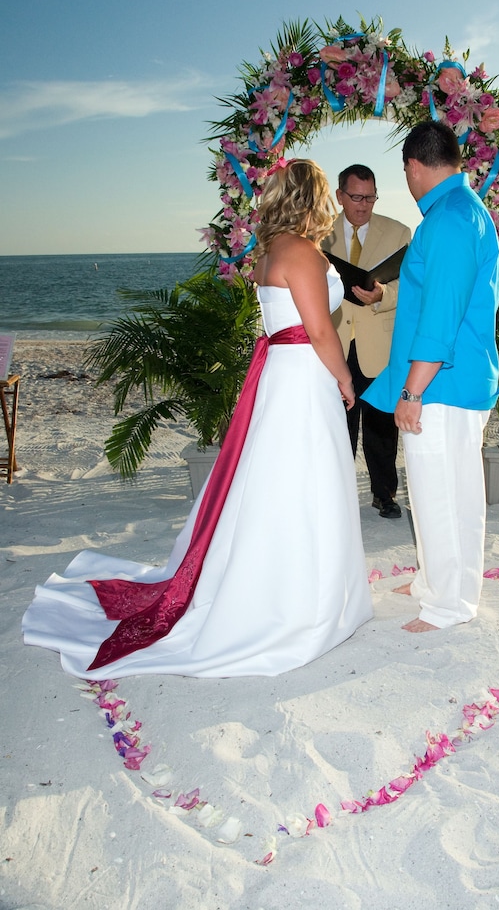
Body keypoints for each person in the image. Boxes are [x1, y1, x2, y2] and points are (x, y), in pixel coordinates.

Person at [22, 159, 373, 677]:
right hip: (302, 375)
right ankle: (297, 593)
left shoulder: (272, 248)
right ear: (313, 199)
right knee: (304, 477)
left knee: (280, 478)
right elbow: (321, 332)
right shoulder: (299, 250)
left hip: (285, 372)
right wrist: (345, 380)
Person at [364, 121, 499, 633]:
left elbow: (440, 318)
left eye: (405, 172)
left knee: (443, 494)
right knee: (440, 491)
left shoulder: (447, 219)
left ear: (414, 166)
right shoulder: (463, 210)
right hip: (456, 380)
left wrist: (411, 391)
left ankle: (449, 604)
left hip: (441, 385)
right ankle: (435, 582)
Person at [322, 165, 412, 519]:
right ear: (340, 196)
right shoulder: (318, 233)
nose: (363, 205)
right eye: (356, 197)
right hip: (335, 342)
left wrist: (383, 295)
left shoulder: (399, 232)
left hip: (379, 343)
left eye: (370, 197)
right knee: (336, 424)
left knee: (381, 426)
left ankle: (384, 494)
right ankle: (337, 495)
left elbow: (411, 285)